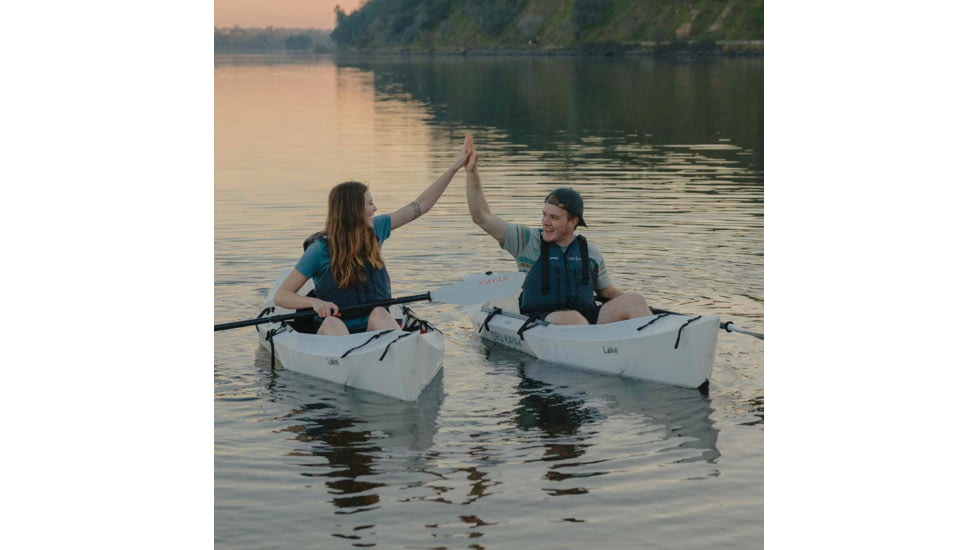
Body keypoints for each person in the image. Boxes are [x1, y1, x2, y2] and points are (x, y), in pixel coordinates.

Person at [274, 141, 469, 335]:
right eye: (370, 203)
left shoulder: (377, 229)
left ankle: (394, 347)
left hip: (374, 324)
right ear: (354, 210)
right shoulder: (318, 250)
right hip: (335, 328)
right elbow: (282, 296)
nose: (375, 208)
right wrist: (314, 302)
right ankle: (347, 360)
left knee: (380, 313)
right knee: (334, 324)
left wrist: (454, 168)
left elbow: (420, 206)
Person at [462, 133, 652, 325]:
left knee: (635, 301)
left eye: (554, 217)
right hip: (543, 321)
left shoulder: (590, 252)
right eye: (544, 214)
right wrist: (471, 173)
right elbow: (482, 217)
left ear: (572, 222)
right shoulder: (526, 241)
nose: (545, 222)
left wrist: (644, 310)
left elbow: (606, 292)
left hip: (588, 322)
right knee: (572, 318)